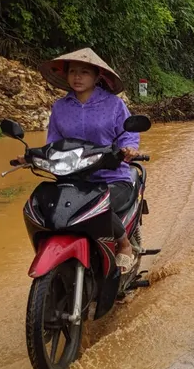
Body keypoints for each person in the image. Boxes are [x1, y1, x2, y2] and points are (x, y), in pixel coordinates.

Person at [36, 48, 141, 272]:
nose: (77, 77)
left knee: (97, 205)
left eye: (84, 72)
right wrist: (33, 156)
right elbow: (53, 142)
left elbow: (128, 133)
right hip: (73, 178)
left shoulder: (113, 104)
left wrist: (129, 147)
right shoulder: (60, 107)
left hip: (112, 176)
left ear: (97, 77)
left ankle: (124, 245)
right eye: (73, 71)